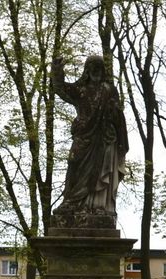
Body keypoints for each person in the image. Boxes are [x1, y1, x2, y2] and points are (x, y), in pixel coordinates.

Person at [51, 55, 129, 221]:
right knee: (74, 163)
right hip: (83, 137)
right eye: (93, 68)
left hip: (103, 139)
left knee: (99, 171)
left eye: (99, 68)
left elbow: (117, 114)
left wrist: (113, 114)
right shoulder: (81, 90)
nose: (96, 71)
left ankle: (96, 206)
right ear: (87, 70)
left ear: (103, 71)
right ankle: (71, 203)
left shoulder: (108, 90)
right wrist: (57, 71)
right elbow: (61, 89)